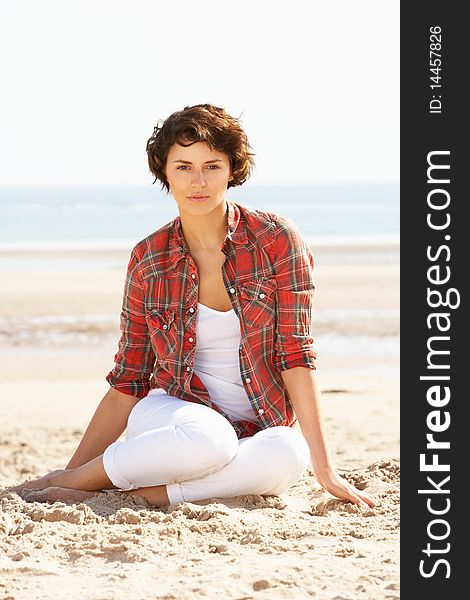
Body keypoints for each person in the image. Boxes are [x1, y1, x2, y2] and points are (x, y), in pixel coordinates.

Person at [6, 104, 376, 509]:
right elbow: (130, 377)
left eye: (212, 166)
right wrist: (71, 474)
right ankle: (82, 482)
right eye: (183, 166)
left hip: (259, 425)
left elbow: (296, 353)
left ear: (233, 170)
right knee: (208, 439)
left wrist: (326, 471)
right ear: (164, 172)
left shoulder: (275, 240)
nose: (198, 181)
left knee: (288, 452)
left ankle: (148, 494)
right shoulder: (150, 258)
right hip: (174, 415)